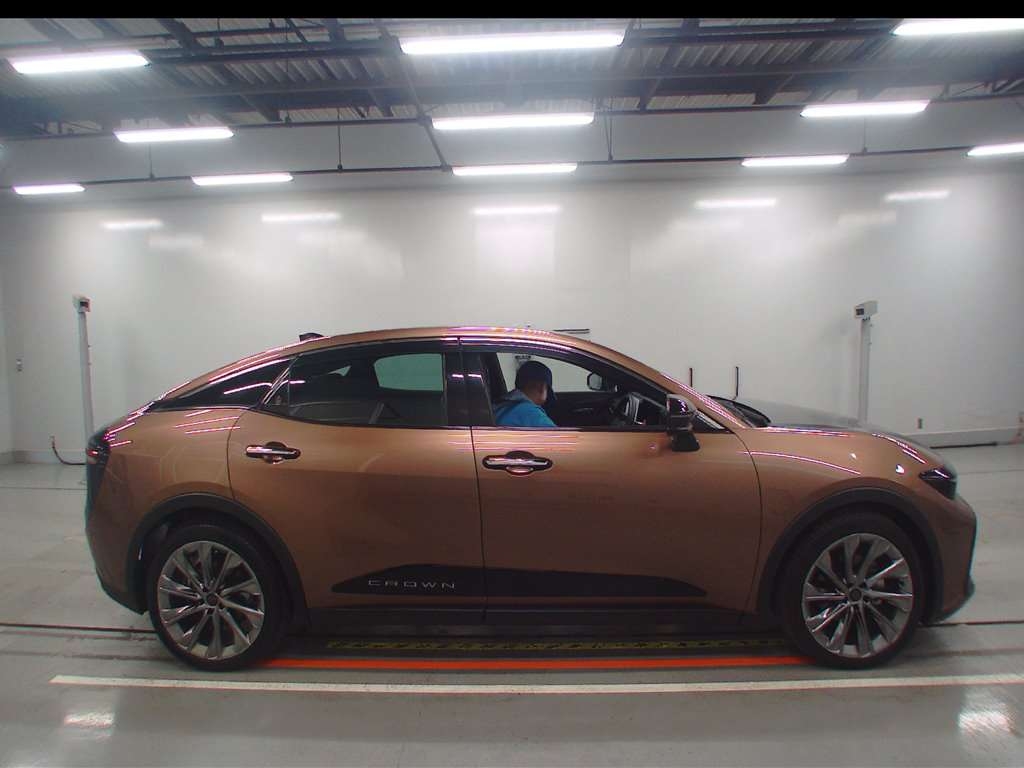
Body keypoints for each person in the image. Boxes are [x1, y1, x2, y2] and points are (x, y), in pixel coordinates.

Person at [493, 360, 557, 427]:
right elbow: (555, 433)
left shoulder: (500, 406)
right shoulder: (530, 412)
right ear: (542, 388)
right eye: (547, 390)